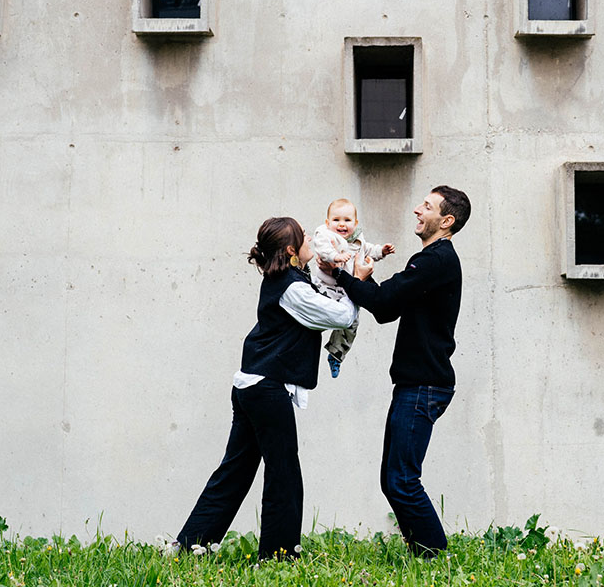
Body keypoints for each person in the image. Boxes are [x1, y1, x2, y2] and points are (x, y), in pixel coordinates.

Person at [176, 217, 361, 559]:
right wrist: (357, 283)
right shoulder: (293, 287)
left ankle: (190, 544)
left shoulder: (289, 279)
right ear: (292, 250)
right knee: (283, 471)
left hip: (253, 384)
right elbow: (340, 317)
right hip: (266, 389)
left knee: (235, 470)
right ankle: (279, 554)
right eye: (304, 237)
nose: (311, 237)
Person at [328, 185, 471, 558]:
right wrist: (360, 279)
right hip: (415, 383)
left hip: (424, 385)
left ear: (447, 220)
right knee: (393, 481)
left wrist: (343, 275)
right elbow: (387, 309)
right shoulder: (431, 261)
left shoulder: (436, 260)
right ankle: (423, 553)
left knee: (403, 481)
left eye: (427, 206)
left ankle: (436, 557)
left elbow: (384, 301)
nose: (417, 210)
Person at [309, 198, 395, 377]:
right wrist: (335, 256)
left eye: (347, 220)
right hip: (326, 287)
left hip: (347, 290)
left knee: (351, 323)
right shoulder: (324, 233)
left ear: (355, 223)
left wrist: (381, 251)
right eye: (336, 220)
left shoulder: (357, 239)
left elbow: (368, 250)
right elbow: (322, 248)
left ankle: (336, 354)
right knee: (320, 315)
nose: (341, 225)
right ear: (328, 222)